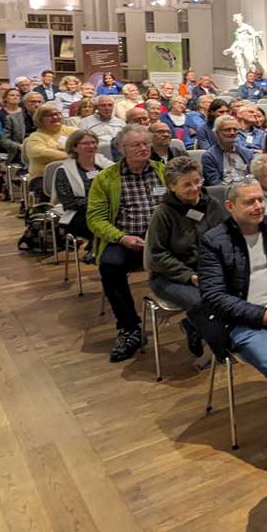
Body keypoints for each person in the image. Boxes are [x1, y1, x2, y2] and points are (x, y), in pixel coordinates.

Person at [198, 178, 267, 422]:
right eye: (250, 202)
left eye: (260, 199)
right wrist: (262, 315)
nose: (259, 206)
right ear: (230, 206)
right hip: (245, 323)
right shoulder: (213, 241)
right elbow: (214, 296)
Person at [87, 126, 166, 362]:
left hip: (162, 240)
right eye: (136, 145)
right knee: (110, 266)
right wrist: (122, 238)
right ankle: (130, 328)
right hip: (126, 239)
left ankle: (197, 321)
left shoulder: (163, 171)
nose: (143, 148)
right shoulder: (106, 178)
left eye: (146, 144)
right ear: (122, 149)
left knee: (202, 256)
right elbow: (95, 218)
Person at [146, 155, 230, 359]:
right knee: (201, 302)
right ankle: (221, 350)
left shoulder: (211, 204)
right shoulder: (163, 214)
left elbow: (228, 237)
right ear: (172, 187)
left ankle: (198, 326)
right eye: (187, 185)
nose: (195, 188)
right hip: (170, 276)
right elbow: (157, 256)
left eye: (197, 181)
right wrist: (190, 276)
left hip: (207, 270)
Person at [51, 129, 113, 244]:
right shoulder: (64, 171)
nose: (91, 146)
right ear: (74, 147)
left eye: (94, 142)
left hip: (109, 209)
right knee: (102, 225)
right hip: (79, 214)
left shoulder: (106, 165)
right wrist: (99, 203)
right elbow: (69, 202)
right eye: (85, 143)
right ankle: (97, 251)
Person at [24, 103, 75, 182]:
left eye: (57, 114)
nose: (55, 117)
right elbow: (38, 152)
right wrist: (70, 155)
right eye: (49, 115)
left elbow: (86, 144)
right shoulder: (36, 136)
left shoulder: (72, 131)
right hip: (43, 177)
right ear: (40, 120)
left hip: (72, 174)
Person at [201, 115, 254, 186]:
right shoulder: (209, 157)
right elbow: (215, 185)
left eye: (235, 129)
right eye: (227, 130)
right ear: (217, 133)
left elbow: (253, 178)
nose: (232, 133)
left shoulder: (247, 153)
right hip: (224, 194)